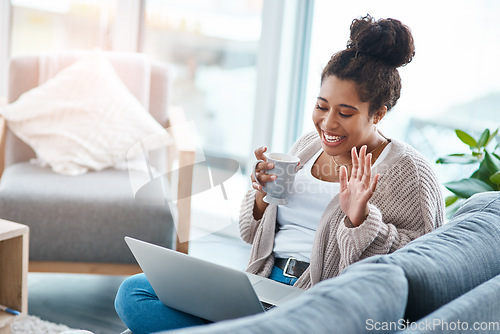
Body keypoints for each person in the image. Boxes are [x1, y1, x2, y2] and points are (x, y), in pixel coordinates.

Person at [114, 14, 444, 333]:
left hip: (319, 303)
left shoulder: (409, 172)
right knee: (135, 293)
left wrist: (360, 220)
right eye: (321, 106)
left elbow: (422, 269)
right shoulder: (307, 146)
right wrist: (260, 196)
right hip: (261, 284)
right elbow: (250, 233)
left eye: (345, 113)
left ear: (379, 113)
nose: (328, 124)